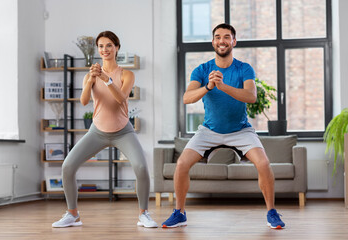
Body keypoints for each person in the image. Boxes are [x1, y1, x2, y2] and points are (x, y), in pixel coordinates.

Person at [161, 23, 285, 229]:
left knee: (263, 164)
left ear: (233, 42)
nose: (222, 41)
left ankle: (272, 212)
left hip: (241, 130)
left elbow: (251, 96)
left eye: (227, 37)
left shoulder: (244, 68)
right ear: (213, 42)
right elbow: (186, 98)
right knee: (182, 164)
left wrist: (223, 86)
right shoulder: (202, 70)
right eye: (218, 37)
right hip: (209, 131)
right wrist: (208, 86)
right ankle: (179, 212)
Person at [52, 31, 157, 228]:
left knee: (141, 168)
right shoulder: (90, 75)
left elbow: (121, 99)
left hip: (123, 131)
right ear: (98, 50)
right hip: (97, 132)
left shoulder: (127, 74)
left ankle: (144, 214)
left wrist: (106, 79)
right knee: (67, 167)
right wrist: (92, 80)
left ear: (117, 48)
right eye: (101, 46)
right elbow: (83, 101)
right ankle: (73, 214)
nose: (105, 49)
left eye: (109, 45)